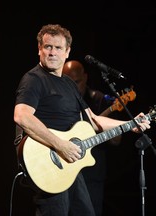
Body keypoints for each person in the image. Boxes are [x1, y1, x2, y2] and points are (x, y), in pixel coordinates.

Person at [13, 24, 151, 216]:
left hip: (68, 163)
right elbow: (22, 116)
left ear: (67, 52)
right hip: (49, 161)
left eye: (58, 47)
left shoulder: (69, 84)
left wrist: (131, 124)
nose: (52, 52)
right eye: (47, 47)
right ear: (39, 49)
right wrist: (60, 145)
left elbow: (93, 121)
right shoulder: (34, 79)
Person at [62, 60, 122, 216]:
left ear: (86, 77)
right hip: (64, 169)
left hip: (92, 172)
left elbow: (116, 141)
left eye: (77, 82)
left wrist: (106, 129)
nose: (74, 86)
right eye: (69, 81)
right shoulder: (59, 100)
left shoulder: (99, 100)